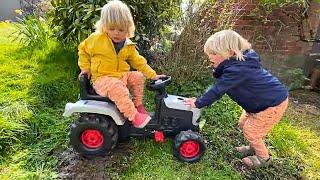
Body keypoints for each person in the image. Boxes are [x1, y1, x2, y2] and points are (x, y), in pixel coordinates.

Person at [185, 29, 289, 169]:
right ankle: (253, 147)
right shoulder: (236, 66)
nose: (210, 57)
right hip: (258, 105)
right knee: (243, 124)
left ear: (230, 52)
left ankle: (264, 158)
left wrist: (199, 103)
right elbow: (219, 82)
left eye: (214, 53)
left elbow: (218, 89)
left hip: (272, 104)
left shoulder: (238, 70)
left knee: (251, 131)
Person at [78, 0, 165, 128]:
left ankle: (138, 105)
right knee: (117, 86)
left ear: (128, 28)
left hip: (120, 76)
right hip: (102, 80)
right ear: (104, 26)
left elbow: (139, 61)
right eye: (111, 28)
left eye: (121, 29)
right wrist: (85, 68)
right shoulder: (96, 40)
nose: (116, 33)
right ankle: (134, 116)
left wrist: (153, 75)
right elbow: (83, 50)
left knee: (138, 76)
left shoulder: (128, 45)